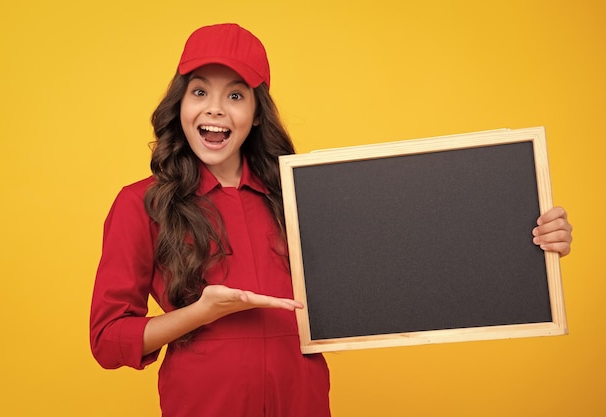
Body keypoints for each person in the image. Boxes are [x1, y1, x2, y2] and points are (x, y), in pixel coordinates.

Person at [89, 23, 573, 417]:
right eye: (200, 91)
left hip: (303, 403)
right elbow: (108, 341)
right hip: (202, 405)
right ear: (182, 104)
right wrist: (201, 312)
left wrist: (526, 239)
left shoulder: (302, 195)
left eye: (236, 95)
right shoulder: (143, 204)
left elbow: (409, 251)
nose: (215, 108)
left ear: (257, 114)